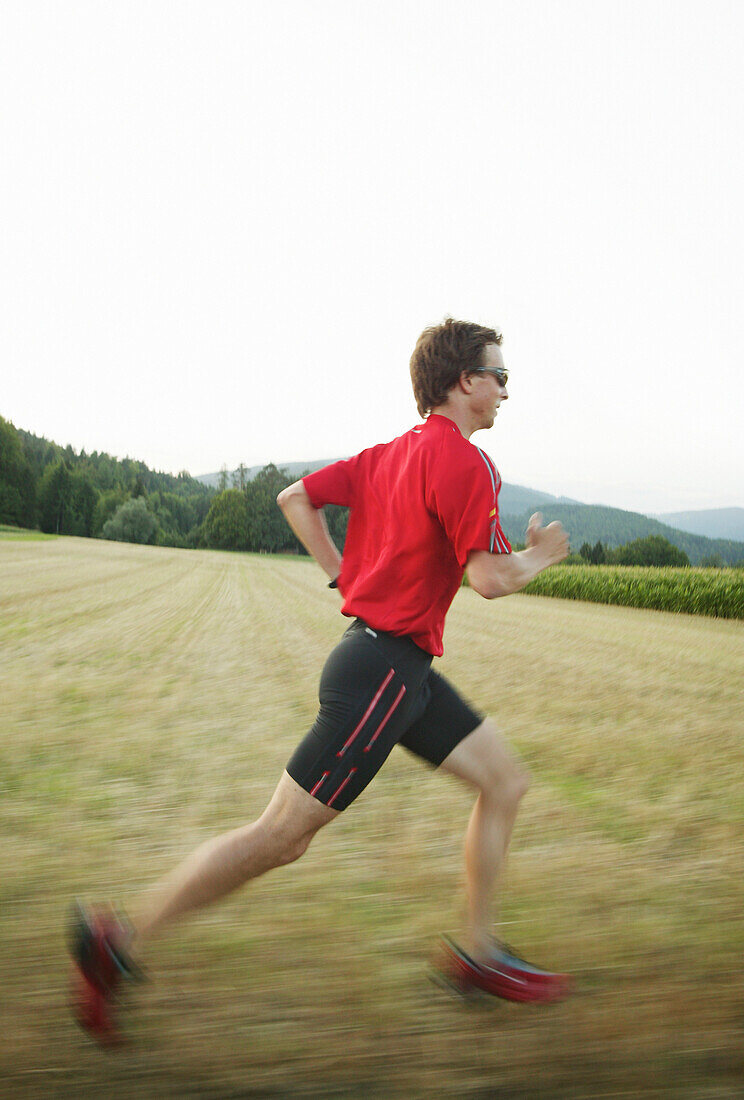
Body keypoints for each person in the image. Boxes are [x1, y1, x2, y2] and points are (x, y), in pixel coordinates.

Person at [68, 317, 570, 1044]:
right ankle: (118, 940)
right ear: (465, 382)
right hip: (383, 678)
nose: (504, 391)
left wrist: (339, 573)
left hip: (391, 666)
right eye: (499, 375)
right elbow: (489, 579)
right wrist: (544, 556)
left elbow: (293, 498)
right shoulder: (466, 463)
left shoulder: (384, 455)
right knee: (281, 837)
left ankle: (480, 954)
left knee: (504, 782)